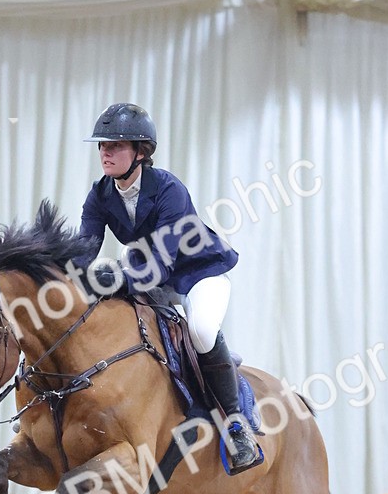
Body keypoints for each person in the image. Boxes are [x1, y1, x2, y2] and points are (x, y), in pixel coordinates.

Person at [79, 102, 261, 474]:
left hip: (198, 273)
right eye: (102, 146)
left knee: (201, 330)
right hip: (150, 276)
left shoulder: (168, 189)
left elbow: (161, 264)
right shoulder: (100, 196)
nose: (105, 153)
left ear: (141, 152)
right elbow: (82, 252)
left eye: (115, 146)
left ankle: (237, 425)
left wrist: (115, 277)